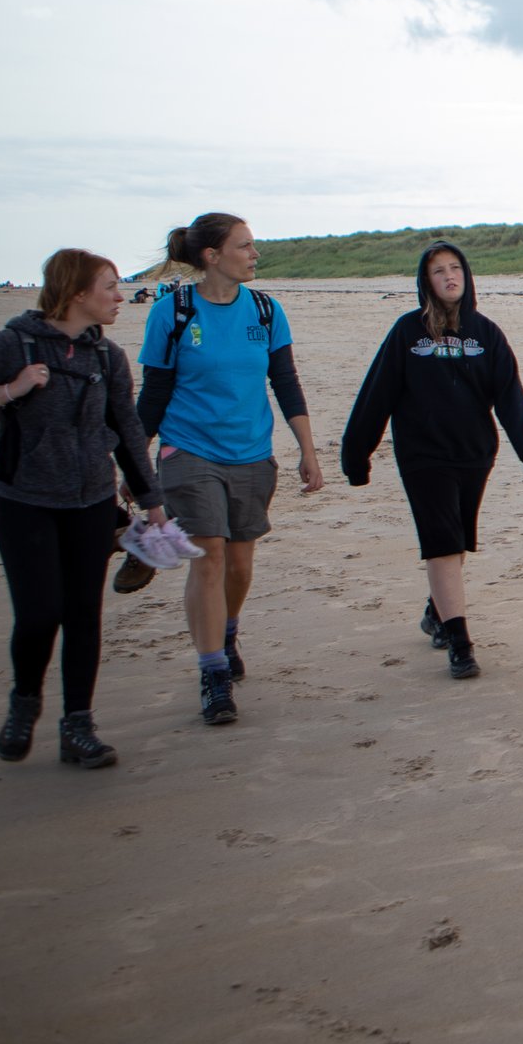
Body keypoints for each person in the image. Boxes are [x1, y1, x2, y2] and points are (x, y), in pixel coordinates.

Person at [0, 250, 167, 769]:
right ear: (77, 292)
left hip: (91, 499)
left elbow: (126, 428)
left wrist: (151, 501)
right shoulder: (10, 344)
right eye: (109, 287)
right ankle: (24, 703)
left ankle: (77, 725)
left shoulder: (107, 356)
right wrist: (7, 391)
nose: (120, 297)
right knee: (39, 614)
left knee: (84, 614)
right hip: (22, 499)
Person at [137, 213, 321, 726]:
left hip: (251, 454)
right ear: (212, 256)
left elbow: (285, 383)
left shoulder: (265, 311)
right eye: (245, 246)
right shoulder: (171, 313)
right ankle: (213, 671)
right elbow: (153, 395)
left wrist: (307, 450)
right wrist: (129, 465)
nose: (255, 254)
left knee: (240, 564)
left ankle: (228, 628)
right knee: (210, 556)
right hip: (188, 451)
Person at [340, 243, 523, 681]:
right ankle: (460, 641)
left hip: (474, 454)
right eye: (438, 271)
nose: (450, 277)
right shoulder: (408, 333)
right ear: (425, 281)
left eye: (455, 269)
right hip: (423, 455)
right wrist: (357, 457)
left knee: (457, 538)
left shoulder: (485, 332)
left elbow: (508, 392)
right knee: (442, 541)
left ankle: (437, 610)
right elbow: (377, 395)